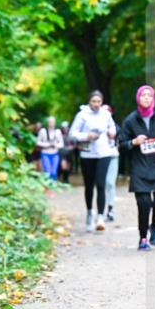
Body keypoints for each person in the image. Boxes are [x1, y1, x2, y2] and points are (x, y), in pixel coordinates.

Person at [119, 85, 155, 251]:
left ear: (153, 98)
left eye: (150, 95)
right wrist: (133, 142)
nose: (147, 98)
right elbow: (121, 145)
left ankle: (154, 225)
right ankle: (143, 238)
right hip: (140, 167)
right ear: (138, 98)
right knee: (144, 204)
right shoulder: (130, 120)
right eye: (143, 95)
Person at [69, 91, 117, 232]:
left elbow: (112, 127)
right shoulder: (82, 115)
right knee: (89, 186)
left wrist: (112, 132)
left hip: (104, 153)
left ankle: (100, 217)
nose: (96, 104)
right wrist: (86, 136)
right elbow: (72, 134)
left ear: (102, 102)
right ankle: (90, 213)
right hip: (87, 154)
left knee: (101, 185)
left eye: (98, 101)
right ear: (89, 102)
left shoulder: (106, 114)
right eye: (93, 101)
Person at [103, 105, 120, 221]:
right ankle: (99, 210)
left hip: (112, 156)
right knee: (101, 184)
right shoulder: (94, 125)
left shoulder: (115, 127)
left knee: (110, 183)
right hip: (99, 157)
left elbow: (118, 137)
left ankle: (110, 208)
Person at [36, 116, 65, 180]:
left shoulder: (58, 131)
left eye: (53, 122)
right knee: (47, 172)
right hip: (45, 153)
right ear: (48, 123)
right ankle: (48, 184)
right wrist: (46, 145)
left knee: (54, 172)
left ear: (55, 123)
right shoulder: (43, 131)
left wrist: (55, 145)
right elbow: (38, 142)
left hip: (55, 154)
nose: (51, 123)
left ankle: (53, 184)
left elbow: (61, 144)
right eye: (50, 122)